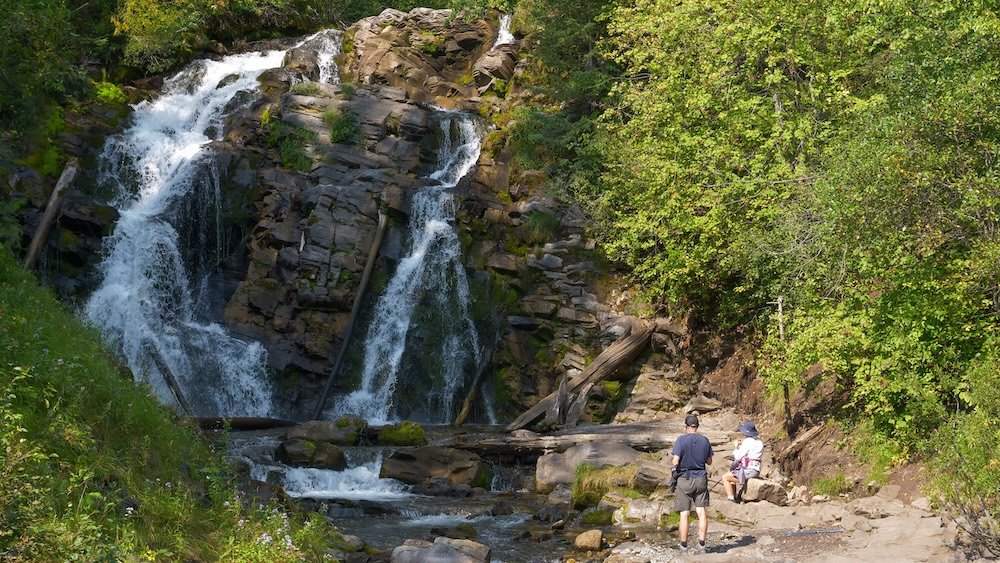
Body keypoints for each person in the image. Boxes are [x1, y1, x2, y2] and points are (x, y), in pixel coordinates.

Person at [671, 412, 713, 553]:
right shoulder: (705, 440)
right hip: (701, 477)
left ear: (686, 427)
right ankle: (702, 544)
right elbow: (709, 461)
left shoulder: (681, 440)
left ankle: (683, 545)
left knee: (685, 513)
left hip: (685, 479)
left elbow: (675, 461)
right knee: (701, 511)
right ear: (697, 426)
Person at [723, 420, 763, 502]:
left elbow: (737, 457)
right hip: (756, 470)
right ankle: (735, 497)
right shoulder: (759, 442)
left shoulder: (748, 441)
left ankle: (730, 498)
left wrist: (736, 447)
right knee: (732, 476)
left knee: (725, 477)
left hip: (749, 470)